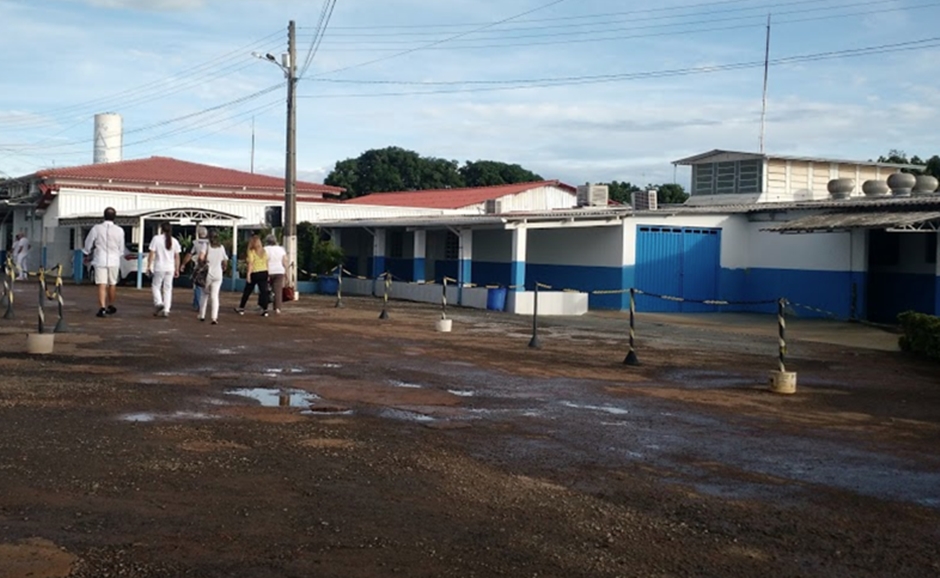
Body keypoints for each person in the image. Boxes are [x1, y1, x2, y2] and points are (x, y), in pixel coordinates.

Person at [82, 207, 125, 318]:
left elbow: (88, 242)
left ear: (104, 216)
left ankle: (102, 308)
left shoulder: (96, 228)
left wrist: (86, 252)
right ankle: (111, 305)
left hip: (100, 259)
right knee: (112, 283)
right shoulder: (119, 230)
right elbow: (121, 248)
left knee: (102, 284)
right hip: (114, 260)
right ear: (115, 217)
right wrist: (118, 254)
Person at [146, 222, 181, 318]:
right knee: (168, 289)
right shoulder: (174, 241)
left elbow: (152, 253)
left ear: (161, 229)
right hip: (170, 268)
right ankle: (166, 309)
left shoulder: (156, 239)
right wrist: (177, 269)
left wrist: (149, 266)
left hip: (159, 267)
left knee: (155, 286)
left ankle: (159, 303)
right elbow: (177, 256)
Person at [197, 230, 228, 325]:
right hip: (218, 274)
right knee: (215, 296)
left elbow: (201, 258)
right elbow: (225, 261)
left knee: (204, 294)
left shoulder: (206, 246)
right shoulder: (221, 247)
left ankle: (202, 315)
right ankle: (214, 317)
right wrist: (224, 267)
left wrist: (201, 263)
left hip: (207, 274)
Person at [235, 234, 270, 317]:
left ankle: (241, 308)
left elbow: (250, 263)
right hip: (264, 272)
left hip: (255, 272)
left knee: (247, 291)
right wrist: (268, 273)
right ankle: (265, 310)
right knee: (264, 292)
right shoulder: (264, 252)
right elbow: (267, 263)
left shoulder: (251, 251)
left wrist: (248, 274)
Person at [180, 226, 209, 311]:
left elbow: (189, 255)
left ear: (198, 234)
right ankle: (203, 304)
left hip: (198, 267)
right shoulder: (212, 243)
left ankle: (198, 304)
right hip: (210, 267)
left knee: (198, 285)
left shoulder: (195, 243)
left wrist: (183, 264)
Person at [263, 234, 288, 314]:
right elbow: (285, 261)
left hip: (268, 271)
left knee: (265, 289)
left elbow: (264, 261)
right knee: (278, 291)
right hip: (279, 271)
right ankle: (277, 308)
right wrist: (286, 272)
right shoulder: (281, 249)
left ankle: (264, 306)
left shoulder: (265, 249)